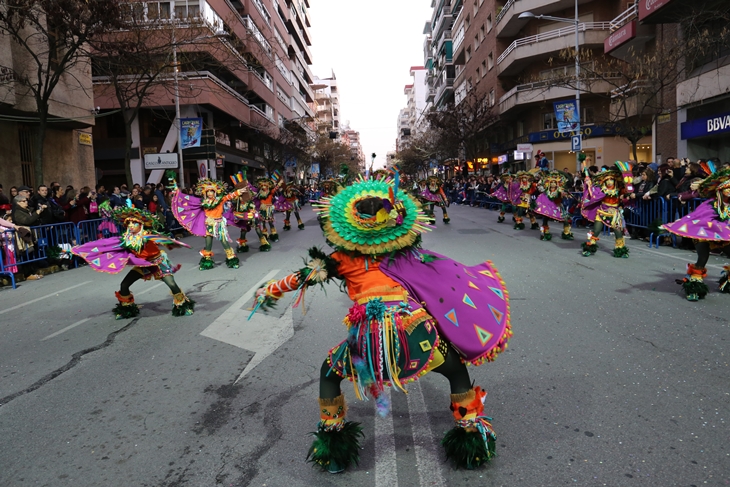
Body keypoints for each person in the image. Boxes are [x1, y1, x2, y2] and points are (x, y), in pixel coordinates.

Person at [250, 174, 511, 473]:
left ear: (350, 223)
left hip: (367, 342)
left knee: (329, 373)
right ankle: (471, 442)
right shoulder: (404, 253)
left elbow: (300, 277)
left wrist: (267, 289)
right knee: (455, 371)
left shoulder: (342, 259)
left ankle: (333, 450)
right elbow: (444, 274)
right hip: (416, 333)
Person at [72, 207, 194, 318]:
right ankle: (127, 308)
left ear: (140, 225)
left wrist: (177, 243)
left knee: (172, 284)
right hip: (143, 265)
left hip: (158, 263)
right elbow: (104, 244)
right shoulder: (126, 239)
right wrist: (79, 249)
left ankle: (183, 305)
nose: (130, 225)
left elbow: (162, 239)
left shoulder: (147, 236)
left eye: (134, 223)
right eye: (129, 223)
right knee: (124, 285)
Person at [663, 166, 730, 301]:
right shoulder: (711, 204)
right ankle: (694, 287)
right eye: (727, 188)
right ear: (720, 190)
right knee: (702, 258)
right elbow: (697, 218)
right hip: (703, 234)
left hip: (722, 237)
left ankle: (727, 282)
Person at [171, 178, 244, 270]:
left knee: (224, 242)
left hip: (219, 224)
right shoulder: (203, 202)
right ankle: (207, 262)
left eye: (211, 191)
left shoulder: (220, 200)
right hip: (209, 224)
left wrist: (238, 192)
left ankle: (232, 260)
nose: (210, 193)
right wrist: (177, 192)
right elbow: (190, 201)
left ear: (215, 192)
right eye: (208, 191)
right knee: (208, 243)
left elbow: (229, 196)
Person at [580, 162, 630, 258]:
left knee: (618, 232)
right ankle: (589, 248)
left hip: (615, 214)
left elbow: (626, 194)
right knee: (596, 230)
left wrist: (626, 194)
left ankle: (620, 250)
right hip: (602, 211)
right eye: (608, 180)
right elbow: (592, 192)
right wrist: (588, 183)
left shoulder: (619, 189)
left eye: (612, 179)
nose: (609, 182)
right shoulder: (601, 190)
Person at [533, 171, 574, 241]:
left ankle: (566, 233)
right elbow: (539, 188)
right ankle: (545, 233)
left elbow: (563, 195)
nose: (553, 184)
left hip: (557, 206)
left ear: (557, 183)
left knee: (566, 219)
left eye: (554, 182)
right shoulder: (546, 191)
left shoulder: (560, 190)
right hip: (548, 207)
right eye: (551, 182)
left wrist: (565, 194)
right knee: (545, 218)